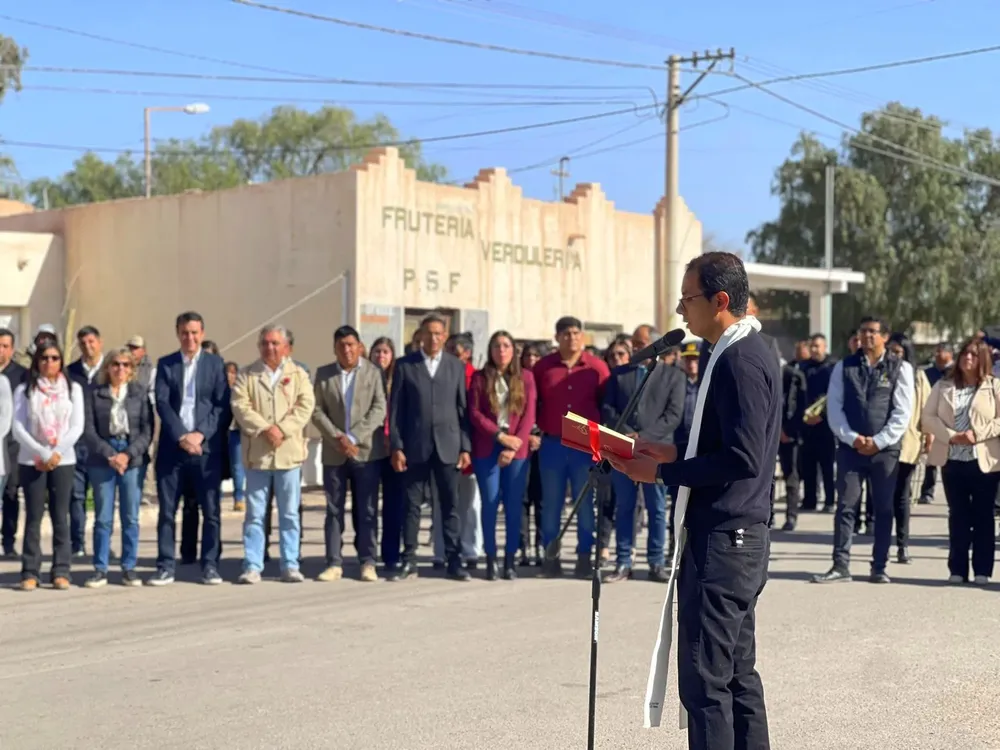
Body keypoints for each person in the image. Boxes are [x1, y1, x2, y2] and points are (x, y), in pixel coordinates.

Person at [608, 252, 779, 749]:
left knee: (707, 684)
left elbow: (743, 458)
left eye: (688, 299)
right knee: (735, 675)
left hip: (726, 540)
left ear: (720, 300)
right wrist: (676, 451)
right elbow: (729, 445)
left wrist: (662, 472)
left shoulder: (741, 359)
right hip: (737, 536)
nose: (681, 312)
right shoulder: (741, 350)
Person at [811, 317, 914, 585]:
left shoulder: (900, 368)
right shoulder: (844, 367)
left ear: (885, 337)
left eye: (873, 332)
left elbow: (902, 412)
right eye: (863, 331)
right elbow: (834, 408)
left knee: (883, 509)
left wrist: (879, 441)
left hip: (885, 452)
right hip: (850, 450)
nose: (867, 336)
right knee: (846, 507)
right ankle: (840, 565)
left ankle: (879, 566)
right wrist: (853, 438)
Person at [388, 312, 473, 582]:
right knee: (411, 505)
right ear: (420, 335)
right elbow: (396, 411)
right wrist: (397, 446)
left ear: (445, 336)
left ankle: (454, 559)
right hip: (415, 446)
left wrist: (464, 446)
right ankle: (409, 559)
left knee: (450, 505)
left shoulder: (455, 366)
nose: (434, 338)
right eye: (429, 333)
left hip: (448, 445)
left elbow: (463, 410)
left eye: (439, 333)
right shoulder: (405, 365)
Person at [149, 312, 231, 587]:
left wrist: (199, 435)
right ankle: (165, 566)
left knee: (211, 511)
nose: (190, 338)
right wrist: (182, 435)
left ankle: (209, 566)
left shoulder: (215, 364)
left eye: (195, 332)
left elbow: (222, 406)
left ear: (202, 334)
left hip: (205, 451)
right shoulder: (166, 364)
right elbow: (162, 403)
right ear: (178, 333)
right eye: (185, 332)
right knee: (168, 512)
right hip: (174, 449)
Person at [231, 325, 314, 584]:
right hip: (258, 456)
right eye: (265, 343)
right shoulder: (247, 375)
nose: (270, 348)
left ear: (287, 347)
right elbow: (240, 406)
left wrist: (282, 429)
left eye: (276, 343)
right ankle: (253, 565)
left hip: (288, 455)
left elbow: (305, 406)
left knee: (289, 514)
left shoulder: (299, 374)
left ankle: (290, 563)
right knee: (255, 514)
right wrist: (266, 428)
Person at [601, 325, 685, 583]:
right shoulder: (619, 375)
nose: (636, 348)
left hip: (656, 451)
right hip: (622, 447)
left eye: (642, 343)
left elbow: (672, 415)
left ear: (658, 345)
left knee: (657, 508)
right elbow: (608, 408)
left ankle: (656, 562)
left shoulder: (673, 376)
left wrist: (644, 438)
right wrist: (627, 433)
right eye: (634, 343)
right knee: (625, 507)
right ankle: (623, 561)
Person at [921, 338, 1000, 585]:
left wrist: (977, 434)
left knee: (984, 516)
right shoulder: (943, 386)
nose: (968, 358)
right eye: (965, 354)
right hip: (952, 459)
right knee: (958, 515)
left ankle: (982, 570)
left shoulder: (994, 386)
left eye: (974, 355)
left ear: (983, 359)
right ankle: (957, 568)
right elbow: (928, 418)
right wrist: (951, 436)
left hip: (984, 461)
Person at [312, 326, 387, 583]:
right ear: (335, 348)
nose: (347, 349)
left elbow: (379, 409)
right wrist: (337, 438)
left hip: (365, 452)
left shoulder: (373, 372)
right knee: (334, 510)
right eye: (341, 345)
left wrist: (353, 437)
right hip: (334, 453)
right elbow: (316, 410)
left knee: (366, 510)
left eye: (351, 344)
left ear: (359, 347)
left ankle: (367, 561)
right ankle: (334, 562)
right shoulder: (323, 375)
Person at [12, 343, 86, 591]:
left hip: (63, 460)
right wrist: (42, 452)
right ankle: (30, 571)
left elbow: (77, 426)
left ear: (61, 361)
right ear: (37, 362)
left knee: (60, 516)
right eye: (44, 358)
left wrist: (55, 453)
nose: (49, 362)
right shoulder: (25, 390)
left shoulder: (72, 389)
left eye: (55, 358)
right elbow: (18, 427)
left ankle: (61, 570)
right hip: (31, 459)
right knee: (33, 517)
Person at [468, 330, 537, 581]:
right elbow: (474, 413)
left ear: (513, 350)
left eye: (506, 346)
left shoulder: (526, 378)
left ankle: (510, 559)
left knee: (513, 505)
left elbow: (529, 414)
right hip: (488, 446)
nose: (502, 350)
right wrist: (499, 437)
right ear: (490, 350)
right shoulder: (479, 378)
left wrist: (513, 445)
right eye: (497, 346)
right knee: (489, 503)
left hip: (516, 449)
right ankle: (491, 559)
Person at [82, 348, 154, 587]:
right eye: (115, 364)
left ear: (132, 370)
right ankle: (100, 568)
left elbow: (147, 430)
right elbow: (89, 431)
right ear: (107, 368)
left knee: (130, 516)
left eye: (125, 365)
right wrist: (111, 455)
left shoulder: (140, 394)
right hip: (103, 456)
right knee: (103, 517)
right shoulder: (95, 394)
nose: (120, 369)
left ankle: (129, 567)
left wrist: (127, 454)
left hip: (131, 455)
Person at [887, 333, 930, 564]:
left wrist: (928, 434)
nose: (894, 355)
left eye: (899, 352)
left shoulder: (918, 376)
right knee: (883, 496)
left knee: (902, 496)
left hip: (907, 444)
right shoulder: (880, 372)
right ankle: (880, 543)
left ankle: (902, 545)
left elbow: (926, 407)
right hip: (882, 443)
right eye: (891, 351)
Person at [0, 327, 26, 558]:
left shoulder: (21, 375)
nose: (1, 350)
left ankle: (8, 541)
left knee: (10, 492)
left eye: (5, 346)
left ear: (12, 349)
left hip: (12, 444)